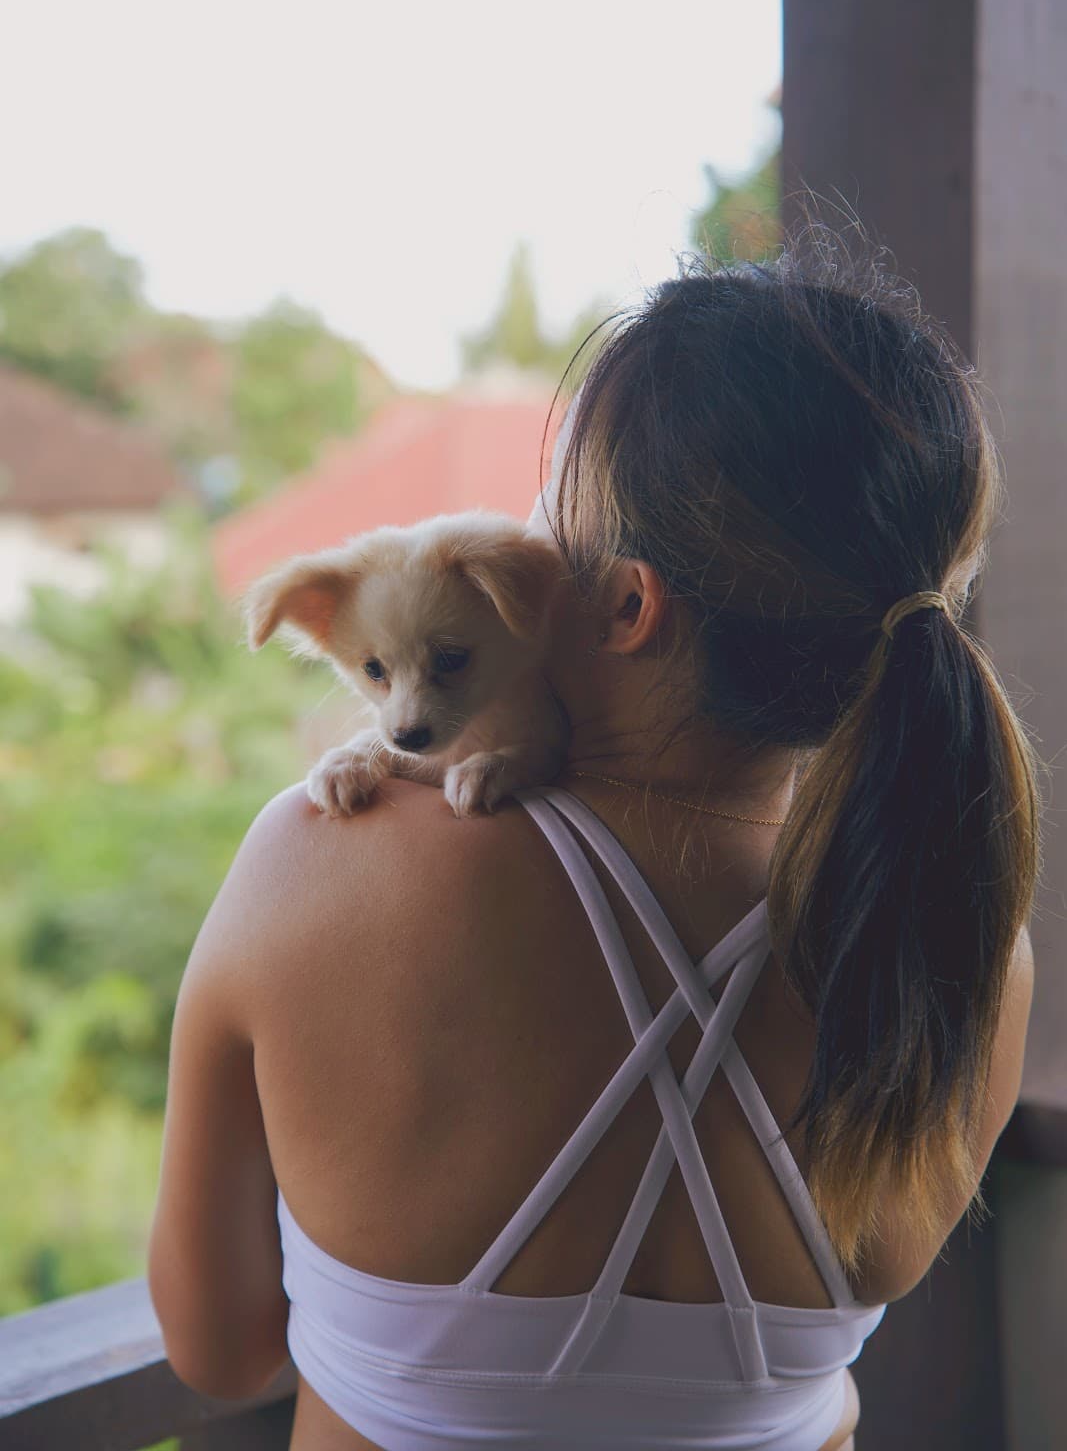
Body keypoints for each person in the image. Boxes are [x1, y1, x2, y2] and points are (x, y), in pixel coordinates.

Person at [148, 232, 1040, 1451]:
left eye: (543, 516)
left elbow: (221, 1347)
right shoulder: (960, 935)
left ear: (622, 604)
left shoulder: (319, 865)